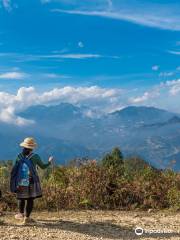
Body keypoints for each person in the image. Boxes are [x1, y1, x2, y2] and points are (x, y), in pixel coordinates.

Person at [13, 137, 53, 224]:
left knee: (21, 198)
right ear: (32, 147)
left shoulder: (19, 156)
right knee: (30, 199)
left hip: (21, 181)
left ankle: (20, 215)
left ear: (23, 146)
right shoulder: (35, 157)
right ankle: (27, 218)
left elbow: (14, 168)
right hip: (32, 180)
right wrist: (49, 162)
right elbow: (43, 166)